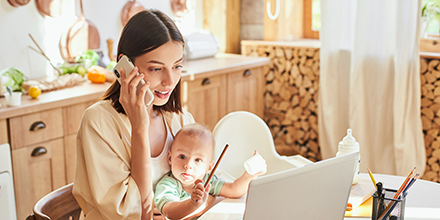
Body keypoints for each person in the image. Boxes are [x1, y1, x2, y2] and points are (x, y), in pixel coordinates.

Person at [73, 9, 199, 220]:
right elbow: (129, 213)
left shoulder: (181, 119)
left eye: (177, 66)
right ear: (125, 66)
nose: (170, 81)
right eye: (156, 69)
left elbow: (201, 186)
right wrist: (140, 128)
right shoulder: (98, 122)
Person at [154, 123, 265, 220]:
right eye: (182, 156)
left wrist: (249, 175)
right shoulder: (168, 185)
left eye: (197, 160)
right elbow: (169, 211)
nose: (188, 165)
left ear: (209, 167)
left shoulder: (207, 181)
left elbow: (234, 190)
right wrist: (192, 203)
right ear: (170, 158)